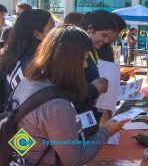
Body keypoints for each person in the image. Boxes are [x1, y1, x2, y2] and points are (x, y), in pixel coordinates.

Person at [12, 25, 130, 165]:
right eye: (84, 58)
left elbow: (24, 135)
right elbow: (75, 159)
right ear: (69, 59)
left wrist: (37, 149)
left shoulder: (28, 82)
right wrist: (106, 132)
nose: (86, 65)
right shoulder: (56, 106)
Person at [0, 9, 54, 105]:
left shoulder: (12, 56)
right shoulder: (37, 63)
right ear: (37, 34)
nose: (56, 31)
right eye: (52, 27)